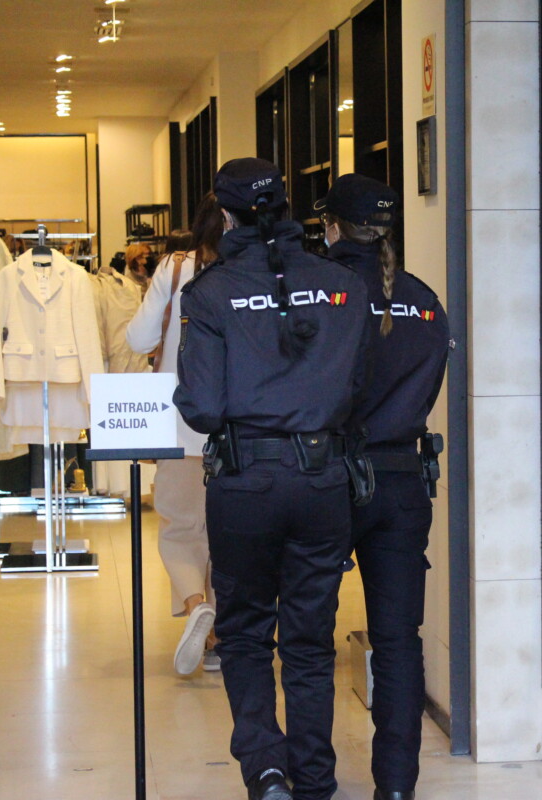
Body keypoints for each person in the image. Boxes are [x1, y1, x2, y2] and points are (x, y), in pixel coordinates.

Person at [174, 158, 369, 800]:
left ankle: (265, 772)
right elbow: (357, 386)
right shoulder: (340, 284)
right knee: (311, 642)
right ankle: (316, 780)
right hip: (323, 481)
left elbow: (200, 407)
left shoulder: (209, 293)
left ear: (225, 216)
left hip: (246, 482)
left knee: (249, 634)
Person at [317, 174, 449, 800]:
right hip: (402, 484)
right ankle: (397, 787)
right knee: (400, 641)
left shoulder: (321, 295)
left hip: (326, 477)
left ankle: (311, 779)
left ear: (332, 227)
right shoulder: (425, 302)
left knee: (309, 639)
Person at [126, 196, 223, 676]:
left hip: (182, 424)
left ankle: (195, 606)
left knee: (181, 530)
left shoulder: (177, 266)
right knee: (230, 533)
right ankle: (224, 635)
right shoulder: (261, 268)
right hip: (243, 429)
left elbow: (140, 339)